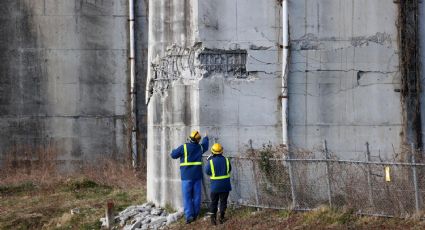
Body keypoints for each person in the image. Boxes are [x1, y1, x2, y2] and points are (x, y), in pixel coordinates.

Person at [170, 130, 209, 224]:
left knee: (187, 197)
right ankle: (196, 214)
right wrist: (206, 138)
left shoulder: (184, 147)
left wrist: (173, 150)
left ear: (190, 138)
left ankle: (189, 216)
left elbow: (173, 155)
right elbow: (205, 146)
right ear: (197, 140)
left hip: (186, 177)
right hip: (197, 176)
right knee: (197, 196)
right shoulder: (200, 147)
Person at [204, 143, 232, 225]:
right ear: (221, 151)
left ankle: (213, 221)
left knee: (214, 203)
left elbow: (207, 171)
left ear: (212, 152)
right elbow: (229, 169)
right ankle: (222, 218)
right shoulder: (226, 160)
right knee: (223, 202)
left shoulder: (211, 161)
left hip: (215, 186)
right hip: (225, 185)